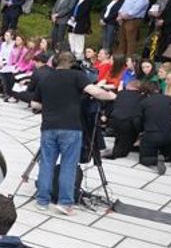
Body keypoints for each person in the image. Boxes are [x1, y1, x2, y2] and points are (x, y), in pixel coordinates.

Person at [32, 51, 112, 213]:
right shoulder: (77, 76)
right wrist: (111, 96)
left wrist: (50, 106)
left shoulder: (46, 77)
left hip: (48, 127)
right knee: (68, 165)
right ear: (72, 63)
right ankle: (65, 202)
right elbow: (95, 91)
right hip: (71, 128)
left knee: (47, 164)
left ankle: (42, 201)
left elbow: (35, 104)